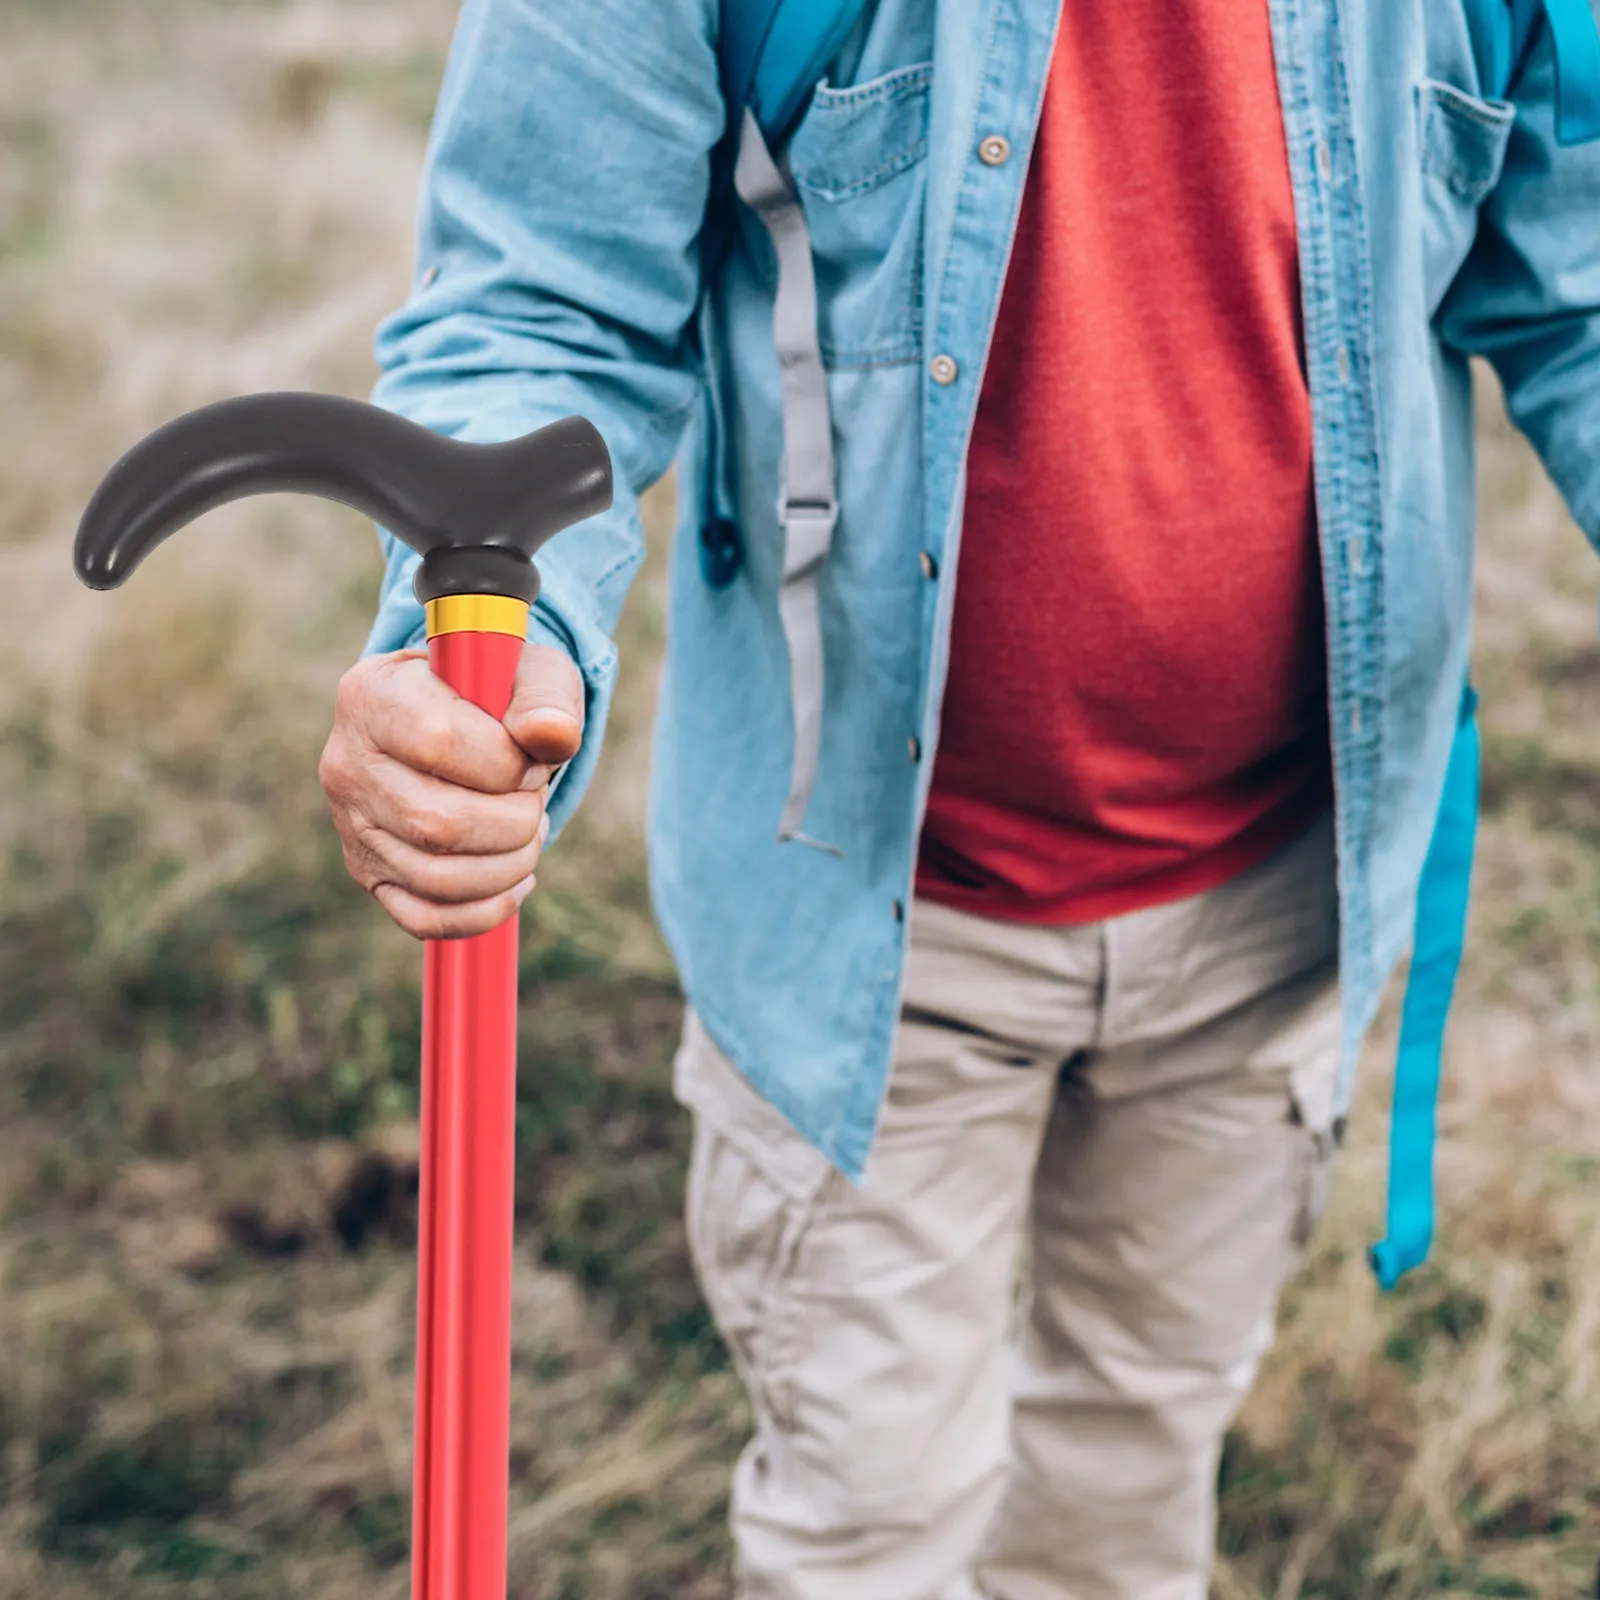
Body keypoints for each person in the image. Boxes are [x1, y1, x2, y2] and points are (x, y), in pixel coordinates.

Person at [315, 2, 1600, 1594]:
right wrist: (485, 642)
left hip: (1281, 901)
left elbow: (1580, 282)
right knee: (873, 1521)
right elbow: (542, 310)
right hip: (867, 941)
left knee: (1127, 1484)